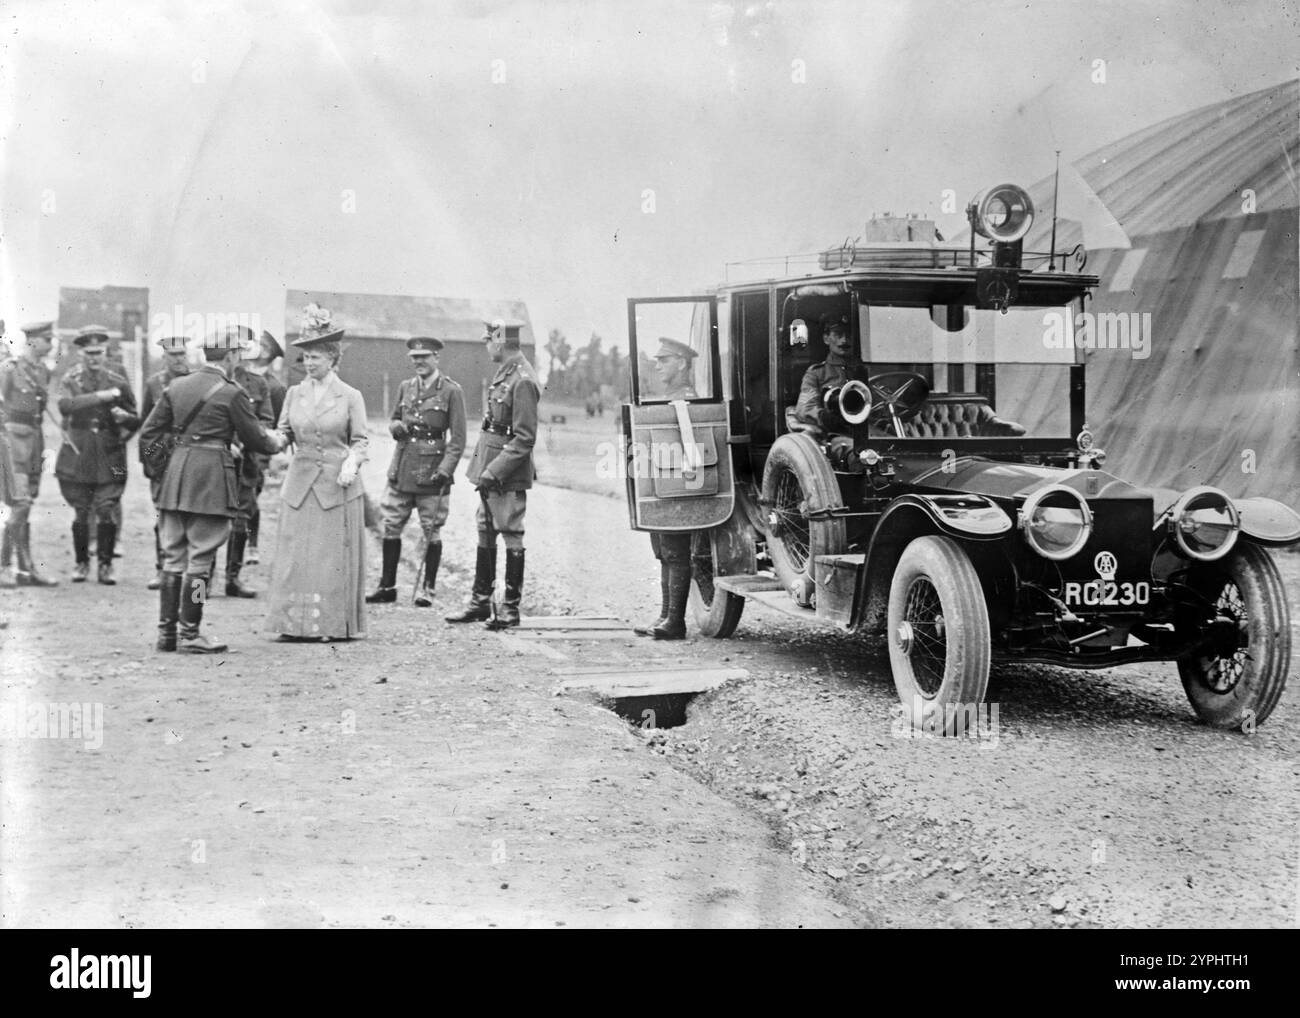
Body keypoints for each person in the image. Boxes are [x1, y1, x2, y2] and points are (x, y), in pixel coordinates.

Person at [138, 325, 285, 653]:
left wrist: (160, 470)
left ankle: (167, 635)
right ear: (231, 356)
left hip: (175, 479)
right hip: (210, 480)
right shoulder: (232, 392)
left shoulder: (177, 386)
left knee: (173, 557)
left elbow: (148, 435)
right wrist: (279, 441)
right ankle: (191, 633)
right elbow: (257, 439)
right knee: (201, 561)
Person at [265, 304, 369, 641]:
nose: (309, 363)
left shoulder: (351, 396)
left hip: (336, 488)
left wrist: (352, 463)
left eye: (316, 358)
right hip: (299, 486)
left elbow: (361, 441)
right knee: (295, 558)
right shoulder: (294, 394)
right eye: (306, 357)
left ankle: (329, 627)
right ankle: (291, 626)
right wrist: (271, 441)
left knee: (329, 559)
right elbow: (284, 433)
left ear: (333, 359)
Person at [445, 319, 539, 630]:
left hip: (506, 472)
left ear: (499, 342)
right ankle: (480, 602)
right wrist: (483, 469)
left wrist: (494, 472)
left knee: (510, 530)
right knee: (485, 528)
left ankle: (510, 609)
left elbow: (525, 437)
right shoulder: (507, 372)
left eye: (488, 340)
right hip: (490, 466)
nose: (486, 346)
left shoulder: (522, 379)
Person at [367, 336, 466, 607]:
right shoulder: (406, 387)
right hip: (402, 467)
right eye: (414, 358)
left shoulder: (450, 391)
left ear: (436, 358)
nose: (418, 362)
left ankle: (428, 590)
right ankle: (387, 586)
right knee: (390, 525)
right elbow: (395, 417)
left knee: (431, 530)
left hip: (432, 472)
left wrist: (446, 470)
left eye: (424, 357)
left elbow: (457, 440)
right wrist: (395, 426)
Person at [55, 326, 141, 584]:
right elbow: (65, 405)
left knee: (106, 508)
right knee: (81, 510)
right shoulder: (71, 378)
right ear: (81, 352)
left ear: (106, 352)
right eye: (89, 352)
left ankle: (105, 565)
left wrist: (123, 421)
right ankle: (81, 564)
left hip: (109, 453)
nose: (94, 357)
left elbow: (134, 417)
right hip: (79, 452)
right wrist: (101, 397)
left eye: (99, 352)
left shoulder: (118, 379)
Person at [633, 337, 701, 640]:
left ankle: (675, 621)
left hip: (677, 481)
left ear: (683, 363)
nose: (658, 365)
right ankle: (666, 615)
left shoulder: (686, 398)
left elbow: (687, 444)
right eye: (657, 360)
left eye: (665, 360)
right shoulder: (672, 396)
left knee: (674, 550)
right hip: (665, 479)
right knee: (664, 550)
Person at [0, 320, 59, 588]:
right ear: (33, 341)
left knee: (26, 505)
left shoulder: (42, 371)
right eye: (47, 339)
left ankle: (25, 570)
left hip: (34, 441)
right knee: (20, 503)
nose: (51, 344)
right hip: (13, 442)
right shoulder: (10, 369)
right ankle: (3, 566)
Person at [225, 329, 276, 597]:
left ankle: (232, 578)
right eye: (234, 351)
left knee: (242, 520)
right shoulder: (213, 381)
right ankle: (201, 587)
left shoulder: (258, 384)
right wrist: (227, 443)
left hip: (246, 463)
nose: (239, 357)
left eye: (243, 350)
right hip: (217, 464)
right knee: (208, 526)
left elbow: (266, 421)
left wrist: (248, 439)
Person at [140, 334, 192, 590]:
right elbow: (146, 427)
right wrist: (152, 464)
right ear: (164, 357)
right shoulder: (154, 384)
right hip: (163, 457)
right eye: (174, 355)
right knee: (163, 516)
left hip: (191, 455)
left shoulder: (196, 381)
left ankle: (192, 573)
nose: (180, 359)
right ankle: (163, 570)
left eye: (183, 353)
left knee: (193, 515)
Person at [244, 330, 287, 565]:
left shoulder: (275, 387)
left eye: (260, 345)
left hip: (258, 452)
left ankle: (251, 545)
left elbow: (278, 424)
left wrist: (270, 454)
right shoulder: (240, 376)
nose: (254, 346)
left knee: (250, 497)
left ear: (268, 353)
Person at [793, 315, 856, 431]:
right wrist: (824, 417)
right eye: (838, 334)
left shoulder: (864, 371)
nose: (844, 340)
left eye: (849, 335)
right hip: (836, 434)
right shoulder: (816, 373)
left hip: (869, 432)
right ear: (826, 339)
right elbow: (805, 407)